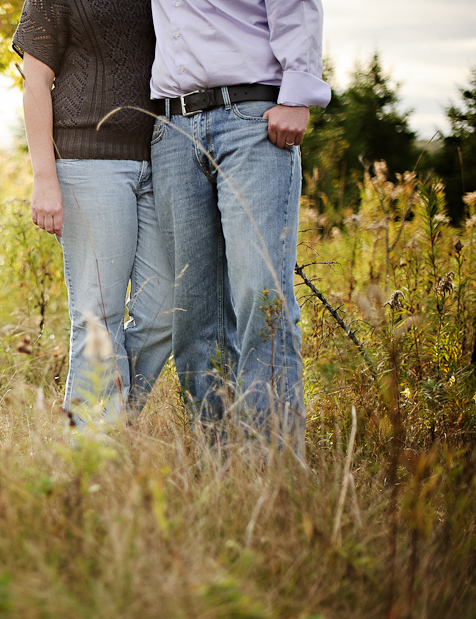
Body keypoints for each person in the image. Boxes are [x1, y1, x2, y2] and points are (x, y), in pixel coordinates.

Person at [148, 0, 331, 450]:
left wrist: (297, 96)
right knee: (193, 312)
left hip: (252, 120)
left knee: (260, 294)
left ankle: (271, 469)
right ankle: (219, 468)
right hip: (172, 131)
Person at [13, 0, 174, 425]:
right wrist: (44, 177)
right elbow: (35, 83)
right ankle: (91, 447)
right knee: (98, 314)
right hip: (87, 164)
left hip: (162, 160)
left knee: (164, 312)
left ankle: (113, 421)